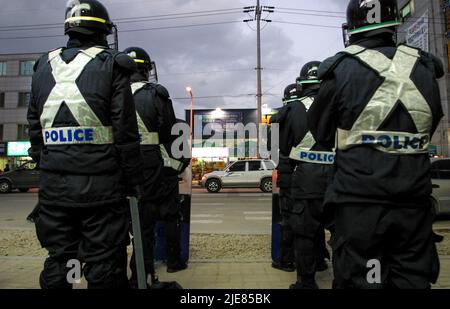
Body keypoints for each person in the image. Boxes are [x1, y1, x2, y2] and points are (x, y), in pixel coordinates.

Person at [308, 0, 443, 289]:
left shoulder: (340, 68)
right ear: (393, 23)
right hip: (414, 203)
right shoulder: (425, 66)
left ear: (353, 27)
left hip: (359, 204)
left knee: (364, 280)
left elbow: (320, 132)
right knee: (412, 279)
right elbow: (431, 124)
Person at [27, 0, 143, 289]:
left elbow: (34, 126)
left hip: (55, 189)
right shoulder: (112, 63)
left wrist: (49, 165)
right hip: (101, 190)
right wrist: (132, 182)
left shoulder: (43, 65)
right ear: (103, 30)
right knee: (103, 261)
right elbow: (125, 132)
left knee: (63, 259)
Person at [123, 46, 178, 287]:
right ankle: (141, 279)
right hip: (147, 168)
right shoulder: (156, 94)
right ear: (147, 70)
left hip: (113, 168)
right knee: (144, 229)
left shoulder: (108, 92)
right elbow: (169, 132)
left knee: (111, 231)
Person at [283, 62, 334, 289]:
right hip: (338, 178)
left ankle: (307, 282)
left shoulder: (292, 109)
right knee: (343, 232)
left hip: (306, 180)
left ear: (302, 83)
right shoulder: (338, 103)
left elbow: (283, 148)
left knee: (304, 233)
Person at [268, 84, 297, 273]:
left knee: (288, 219)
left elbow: (273, 148)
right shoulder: (316, 109)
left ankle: (286, 261)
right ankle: (319, 260)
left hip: (288, 171)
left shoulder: (282, 116)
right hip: (317, 171)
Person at [159, 119, 191, 273]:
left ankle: (143, 266)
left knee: (145, 224)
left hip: (146, 180)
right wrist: (175, 170)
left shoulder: (145, 124)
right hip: (168, 181)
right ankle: (173, 262)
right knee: (171, 220)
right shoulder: (178, 126)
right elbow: (186, 158)